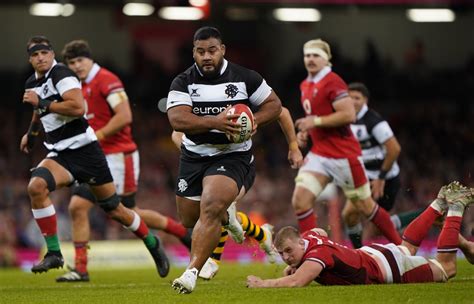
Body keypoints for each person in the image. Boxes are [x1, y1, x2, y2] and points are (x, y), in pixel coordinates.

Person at [20, 36, 169, 278]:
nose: (40, 58)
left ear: (51, 54)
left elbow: (77, 108)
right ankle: (55, 254)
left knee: (115, 209)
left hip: (87, 151)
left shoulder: (63, 74)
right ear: (30, 59)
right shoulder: (32, 82)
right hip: (61, 153)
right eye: (35, 55)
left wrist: (43, 103)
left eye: (44, 53)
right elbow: (39, 112)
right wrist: (31, 135)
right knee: (36, 187)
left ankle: (153, 243)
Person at [53, 40, 192, 282]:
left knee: (127, 211)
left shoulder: (106, 79)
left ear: (90, 59)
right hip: (92, 157)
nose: (76, 66)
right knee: (77, 207)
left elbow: (125, 116)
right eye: (71, 63)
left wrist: (98, 136)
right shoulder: (76, 85)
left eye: (80, 61)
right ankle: (81, 269)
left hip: (119, 155)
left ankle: (179, 232)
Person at [166, 26, 282, 293]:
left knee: (211, 206)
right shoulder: (183, 82)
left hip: (233, 156)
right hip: (194, 157)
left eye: (212, 50)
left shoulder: (245, 77)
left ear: (222, 50)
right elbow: (177, 119)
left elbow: (274, 105)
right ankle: (254, 230)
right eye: (200, 51)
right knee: (189, 220)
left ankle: (191, 272)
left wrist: (256, 120)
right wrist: (215, 122)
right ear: (193, 52)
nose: (206, 56)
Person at [247, 181, 474, 288]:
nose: (286, 257)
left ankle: (456, 207)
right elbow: (315, 231)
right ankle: (439, 202)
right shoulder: (309, 238)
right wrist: (294, 261)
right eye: (282, 253)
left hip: (384, 268)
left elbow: (297, 282)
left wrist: (262, 283)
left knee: (448, 269)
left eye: (289, 250)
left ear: (300, 242)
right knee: (406, 248)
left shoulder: (318, 255)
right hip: (374, 255)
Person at [170, 106, 304, 280]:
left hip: (237, 166)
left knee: (217, 207)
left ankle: (213, 261)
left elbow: (281, 111)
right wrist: (197, 155)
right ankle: (262, 234)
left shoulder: (242, 94)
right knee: (201, 215)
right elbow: (175, 133)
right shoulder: (198, 101)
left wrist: (293, 146)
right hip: (204, 168)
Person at [291, 39, 401, 246]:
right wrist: (306, 131)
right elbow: (315, 117)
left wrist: (315, 121)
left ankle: (403, 248)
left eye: (316, 55)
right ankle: (311, 252)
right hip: (320, 154)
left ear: (326, 59)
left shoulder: (333, 82)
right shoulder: (305, 84)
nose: (311, 59)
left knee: (365, 207)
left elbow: (348, 114)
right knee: (300, 200)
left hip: (344, 155)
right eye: (307, 55)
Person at [342, 82, 422, 248]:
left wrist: (381, 178)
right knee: (349, 214)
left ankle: (425, 214)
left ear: (365, 100)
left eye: (357, 98)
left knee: (378, 227)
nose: (353, 101)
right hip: (363, 177)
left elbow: (394, 149)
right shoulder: (345, 119)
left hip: (385, 179)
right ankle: (358, 254)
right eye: (349, 97)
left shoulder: (374, 121)